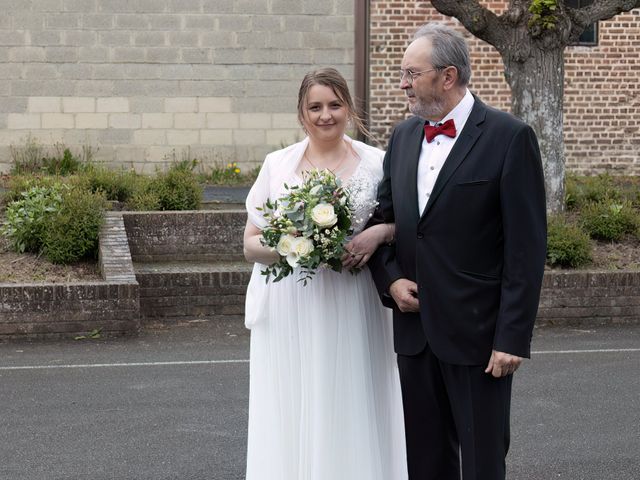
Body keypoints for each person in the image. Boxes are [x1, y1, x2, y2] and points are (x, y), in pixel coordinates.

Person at [367, 23, 547, 480]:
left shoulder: (510, 137)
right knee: (425, 461)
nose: (402, 83)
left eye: (411, 73)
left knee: (484, 461)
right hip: (414, 331)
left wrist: (512, 336)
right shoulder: (404, 137)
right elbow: (382, 223)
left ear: (447, 77)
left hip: (479, 336)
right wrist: (389, 279)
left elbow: (526, 249)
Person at [242, 67, 408, 480]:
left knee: (352, 394)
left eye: (335, 104)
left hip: (354, 299)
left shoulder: (378, 163)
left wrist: (377, 232)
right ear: (301, 114)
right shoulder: (276, 165)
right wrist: (298, 247)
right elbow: (250, 244)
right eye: (315, 107)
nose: (325, 115)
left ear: (349, 108)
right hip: (291, 305)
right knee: (294, 397)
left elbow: (406, 224)